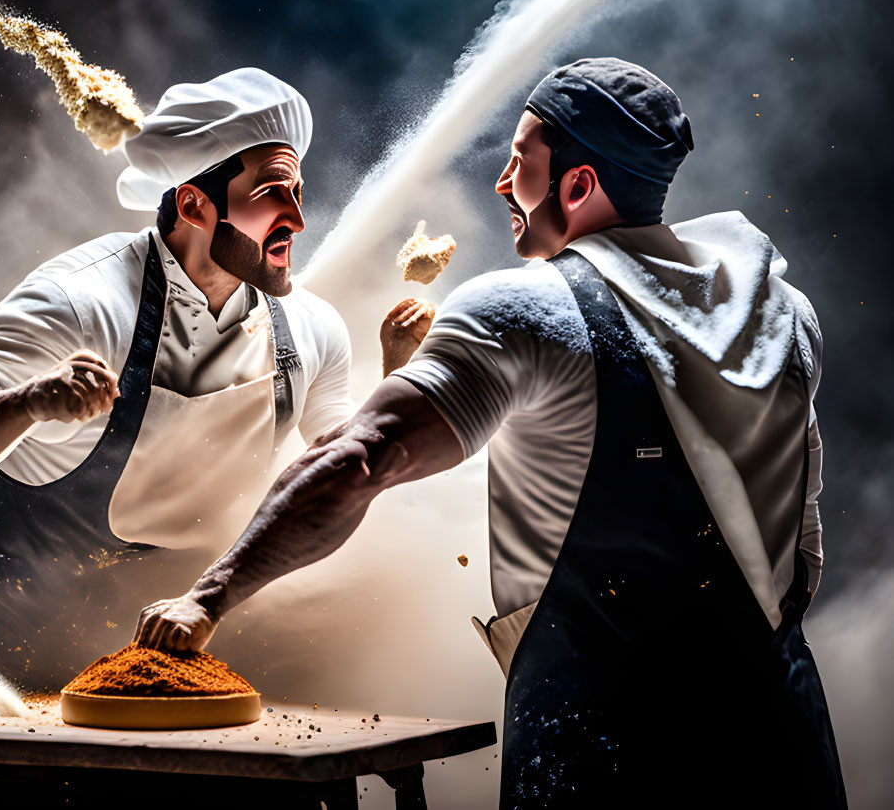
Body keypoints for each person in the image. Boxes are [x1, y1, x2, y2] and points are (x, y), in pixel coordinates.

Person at [134, 58, 847, 807]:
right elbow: (773, 513)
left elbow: (361, 462)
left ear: (575, 186)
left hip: (605, 739)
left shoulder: (526, 309)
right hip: (779, 731)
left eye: (520, 162)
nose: (504, 184)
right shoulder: (782, 309)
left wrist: (207, 597)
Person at [0, 67, 429, 690]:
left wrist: (400, 379)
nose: (298, 219)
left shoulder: (311, 330)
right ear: (194, 204)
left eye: (298, 194)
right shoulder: (82, 300)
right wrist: (30, 401)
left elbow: (344, 474)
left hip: (154, 645)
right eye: (273, 193)